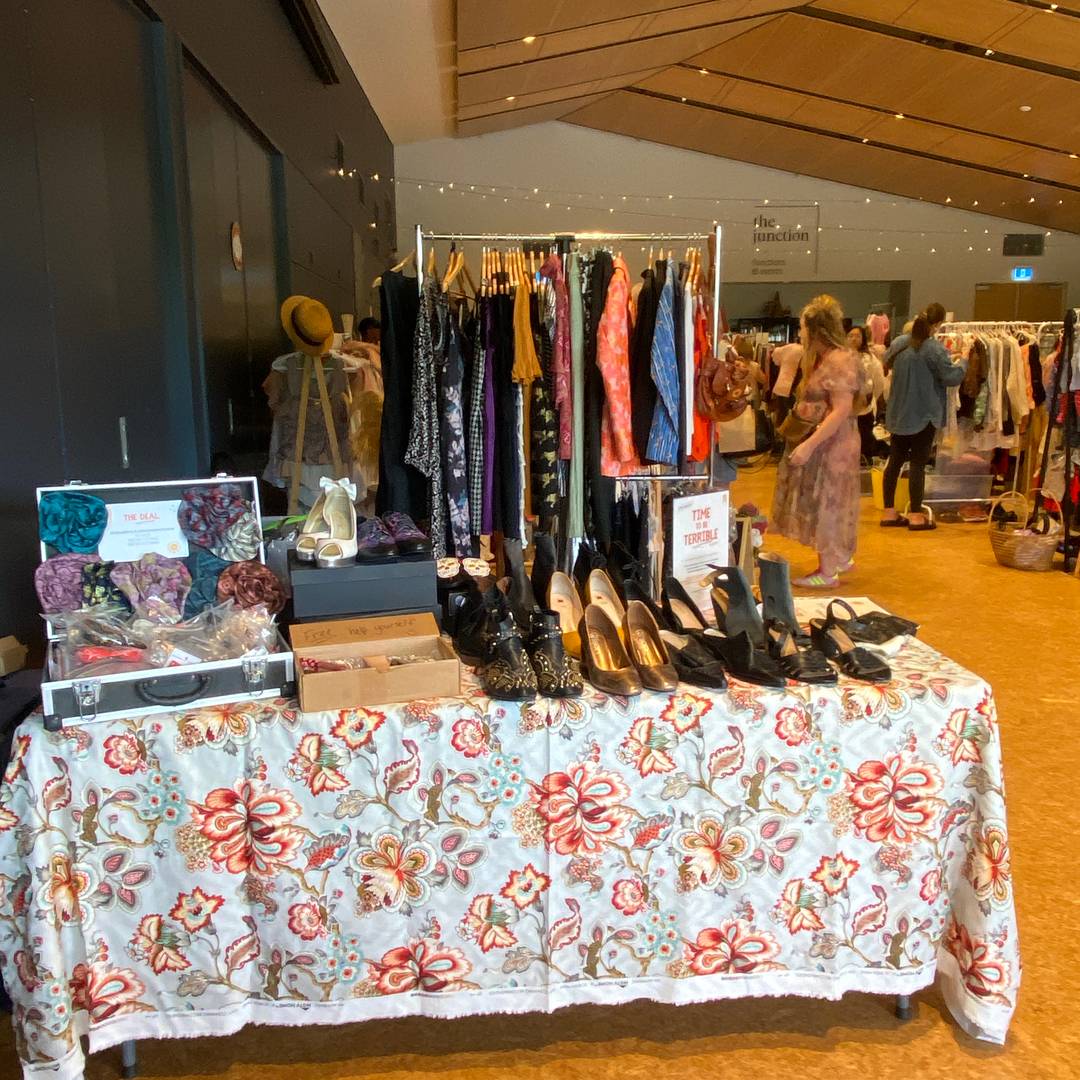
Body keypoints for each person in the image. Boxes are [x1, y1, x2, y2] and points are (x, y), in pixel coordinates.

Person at [772, 295, 869, 588]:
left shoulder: (838, 361)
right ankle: (838, 558)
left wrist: (809, 444)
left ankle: (828, 571)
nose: (800, 333)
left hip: (833, 443)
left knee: (828, 500)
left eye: (803, 327)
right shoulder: (831, 357)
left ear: (816, 330)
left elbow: (841, 410)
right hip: (832, 440)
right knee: (833, 499)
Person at [879, 302, 966, 532]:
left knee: (895, 461)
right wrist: (964, 361)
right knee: (918, 463)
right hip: (924, 414)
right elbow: (951, 377)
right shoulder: (934, 349)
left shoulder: (899, 343)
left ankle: (889, 512)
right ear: (938, 324)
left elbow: (886, 362)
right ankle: (916, 515)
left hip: (898, 412)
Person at [848, 325, 886, 459]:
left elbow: (879, 381)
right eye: (851, 336)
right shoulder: (841, 357)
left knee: (864, 438)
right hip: (845, 408)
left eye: (857, 336)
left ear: (863, 339)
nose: (854, 339)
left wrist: (871, 397)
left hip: (864, 408)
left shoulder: (870, 359)